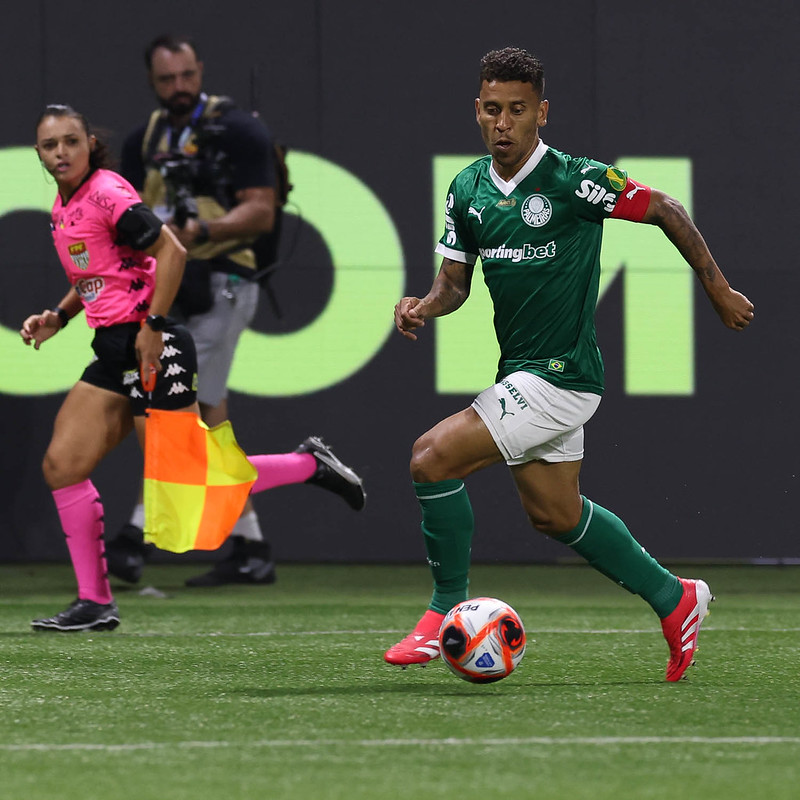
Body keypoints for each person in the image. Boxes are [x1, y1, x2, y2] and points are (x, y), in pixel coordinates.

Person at [385, 47, 754, 681]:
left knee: (430, 458)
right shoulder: (467, 187)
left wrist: (717, 287)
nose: (503, 123)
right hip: (523, 374)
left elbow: (665, 207)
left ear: (541, 114)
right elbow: (455, 283)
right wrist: (424, 305)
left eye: (518, 111)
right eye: (492, 110)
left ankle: (443, 611)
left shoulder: (575, 181)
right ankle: (675, 598)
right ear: (477, 111)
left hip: (561, 375)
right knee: (555, 514)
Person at [22, 104, 364, 632]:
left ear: (90, 143)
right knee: (62, 465)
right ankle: (95, 603)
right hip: (115, 350)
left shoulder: (108, 193)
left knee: (189, 489)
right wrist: (59, 317)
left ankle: (308, 464)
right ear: (40, 154)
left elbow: (173, 250)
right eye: (51, 145)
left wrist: (154, 328)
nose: (62, 152)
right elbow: (100, 273)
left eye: (71, 141)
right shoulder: (64, 206)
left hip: (151, 343)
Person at [104, 34, 363, 587]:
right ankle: (250, 543)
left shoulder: (238, 129)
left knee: (182, 415)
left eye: (186, 77)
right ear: (153, 81)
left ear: (200, 70)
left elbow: (262, 212)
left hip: (222, 280)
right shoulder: (142, 140)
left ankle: (133, 537)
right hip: (168, 290)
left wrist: (202, 229)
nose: (178, 88)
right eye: (167, 80)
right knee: (198, 418)